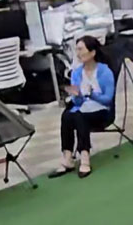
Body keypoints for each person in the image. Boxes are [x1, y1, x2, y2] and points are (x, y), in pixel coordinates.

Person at [49, 36, 115, 179]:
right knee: (67, 115)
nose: (78, 53)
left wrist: (92, 95)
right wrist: (77, 95)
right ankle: (67, 157)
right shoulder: (76, 73)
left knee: (80, 116)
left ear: (92, 52)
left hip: (101, 110)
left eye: (81, 49)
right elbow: (77, 102)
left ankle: (85, 157)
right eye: (77, 50)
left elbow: (108, 99)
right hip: (83, 108)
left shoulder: (105, 72)